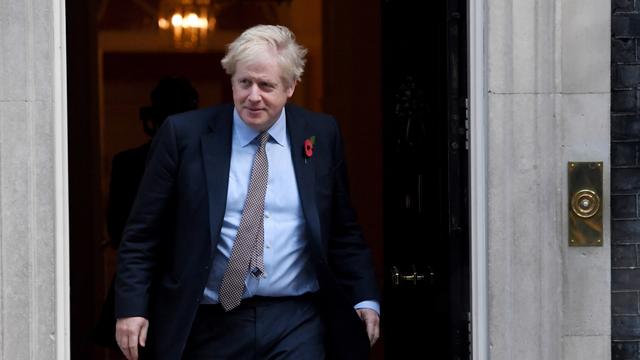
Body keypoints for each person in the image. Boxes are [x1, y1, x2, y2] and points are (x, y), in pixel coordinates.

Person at [115, 24, 380, 360]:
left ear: (291, 86)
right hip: (209, 320)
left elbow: (343, 230)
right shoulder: (184, 136)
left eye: (266, 85)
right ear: (232, 81)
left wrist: (364, 297)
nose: (253, 96)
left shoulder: (321, 134)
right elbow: (142, 233)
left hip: (296, 320)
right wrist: (131, 308)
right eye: (244, 83)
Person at [92, 76, 199, 350]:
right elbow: (120, 231)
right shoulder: (129, 163)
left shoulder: (212, 161)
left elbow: (117, 230)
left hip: (181, 287)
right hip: (150, 284)